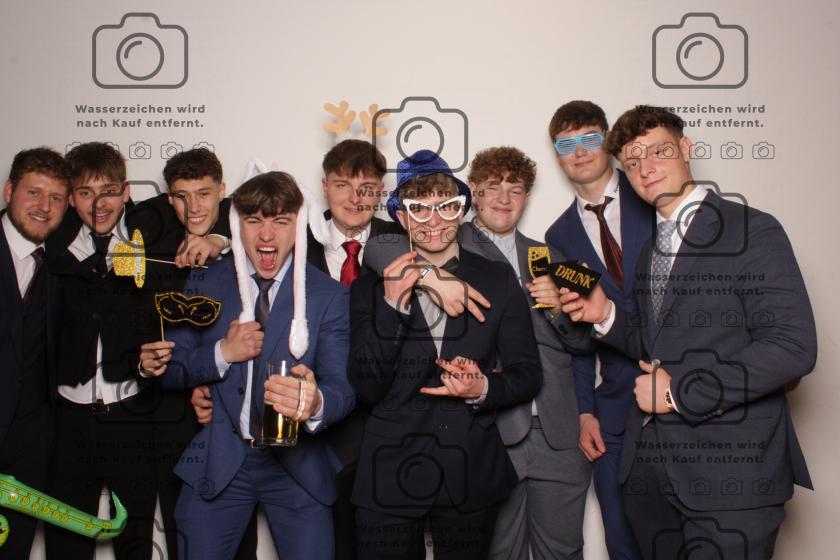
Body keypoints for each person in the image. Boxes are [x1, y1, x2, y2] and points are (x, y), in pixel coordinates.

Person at [560, 105, 817, 559]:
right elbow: (654, 343)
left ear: (685, 149)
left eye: (658, 152)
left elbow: (792, 348)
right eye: (632, 161)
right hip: (652, 480)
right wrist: (606, 315)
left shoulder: (750, 229)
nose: (646, 168)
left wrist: (677, 393)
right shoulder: (651, 249)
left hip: (731, 477)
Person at [363, 146, 593, 559]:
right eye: (492, 188)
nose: (504, 199)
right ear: (472, 195)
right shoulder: (446, 234)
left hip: (554, 431)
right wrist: (430, 274)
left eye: (515, 189)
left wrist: (560, 310)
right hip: (494, 432)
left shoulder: (546, 255)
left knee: (564, 550)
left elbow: (583, 344)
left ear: (527, 197)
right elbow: (379, 247)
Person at [187, 139, 402, 559]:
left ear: (381, 192)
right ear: (324, 187)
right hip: (299, 439)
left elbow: (442, 248)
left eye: (367, 188)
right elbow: (254, 225)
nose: (355, 198)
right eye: (342, 185)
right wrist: (217, 238)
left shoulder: (399, 242)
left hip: (376, 430)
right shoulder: (296, 236)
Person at [156, 171, 355, 559]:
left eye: (280, 221)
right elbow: (172, 368)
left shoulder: (328, 295)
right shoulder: (205, 282)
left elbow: (342, 387)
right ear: (237, 225)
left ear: (298, 225)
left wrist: (314, 402)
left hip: (297, 465)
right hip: (220, 457)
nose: (266, 235)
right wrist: (221, 354)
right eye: (253, 221)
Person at [44, 142, 227, 559]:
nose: (99, 204)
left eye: (108, 191)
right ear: (71, 199)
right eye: (85, 193)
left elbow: (227, 205)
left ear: (126, 192)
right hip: (68, 420)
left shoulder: (156, 221)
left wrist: (216, 238)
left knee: (137, 540)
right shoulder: (56, 238)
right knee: (65, 541)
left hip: (133, 416)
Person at [544, 100, 651, 560]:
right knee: (622, 539)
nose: (580, 151)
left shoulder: (652, 197)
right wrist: (585, 412)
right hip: (615, 407)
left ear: (608, 141)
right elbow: (581, 332)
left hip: (682, 391)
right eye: (566, 144)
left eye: (590, 138)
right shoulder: (560, 236)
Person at [139, 147, 232, 560]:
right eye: (181, 196)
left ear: (222, 192)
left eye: (204, 194)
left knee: (236, 537)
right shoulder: (150, 235)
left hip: (231, 412)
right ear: (168, 198)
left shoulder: (246, 231)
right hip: (171, 413)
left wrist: (218, 239)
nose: (193, 207)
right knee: (182, 534)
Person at [0, 147, 69, 560]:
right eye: (34, 193)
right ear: (9, 191)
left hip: (28, 453)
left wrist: (216, 236)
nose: (44, 207)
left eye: (56, 198)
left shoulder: (60, 260)